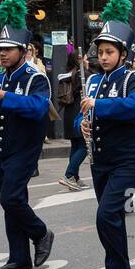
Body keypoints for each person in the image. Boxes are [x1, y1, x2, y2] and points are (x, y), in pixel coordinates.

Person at [77, 0, 135, 269]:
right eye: (101, 52)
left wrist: (99, 104)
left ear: (122, 53)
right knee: (113, 215)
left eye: (109, 52)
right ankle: (123, 267)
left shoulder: (133, 77)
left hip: (127, 158)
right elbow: (83, 112)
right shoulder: (93, 80)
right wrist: (80, 125)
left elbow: (134, 107)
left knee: (105, 214)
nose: (103, 57)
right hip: (100, 159)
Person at [0, 0, 54, 269]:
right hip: (3, 146)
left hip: (24, 148)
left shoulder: (35, 77)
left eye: (7, 50)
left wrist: (7, 97)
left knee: (10, 199)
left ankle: (41, 233)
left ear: (23, 51)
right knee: (13, 200)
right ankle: (18, 256)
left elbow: (39, 109)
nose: (1, 54)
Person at [56, 48, 87, 190]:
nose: (86, 61)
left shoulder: (65, 75)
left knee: (75, 146)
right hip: (79, 114)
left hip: (68, 114)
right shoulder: (82, 76)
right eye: (84, 58)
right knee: (85, 146)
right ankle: (69, 175)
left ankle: (75, 178)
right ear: (79, 60)